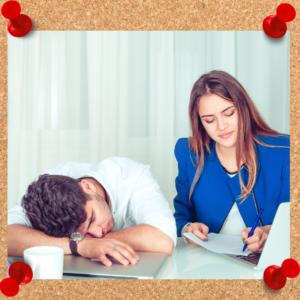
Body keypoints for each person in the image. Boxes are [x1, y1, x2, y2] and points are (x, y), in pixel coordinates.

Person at [174, 70, 289, 252]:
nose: (221, 126)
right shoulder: (190, 154)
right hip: (205, 264)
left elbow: (293, 221)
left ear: (243, 109)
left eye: (229, 113)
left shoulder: (284, 151)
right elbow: (180, 218)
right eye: (210, 120)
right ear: (200, 123)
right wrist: (188, 229)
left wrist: (269, 232)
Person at [8, 157, 176, 266]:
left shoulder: (133, 176)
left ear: (88, 187)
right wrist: (79, 245)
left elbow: (164, 239)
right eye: (81, 234)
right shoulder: (46, 193)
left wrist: (87, 243)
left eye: (92, 219)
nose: (97, 233)